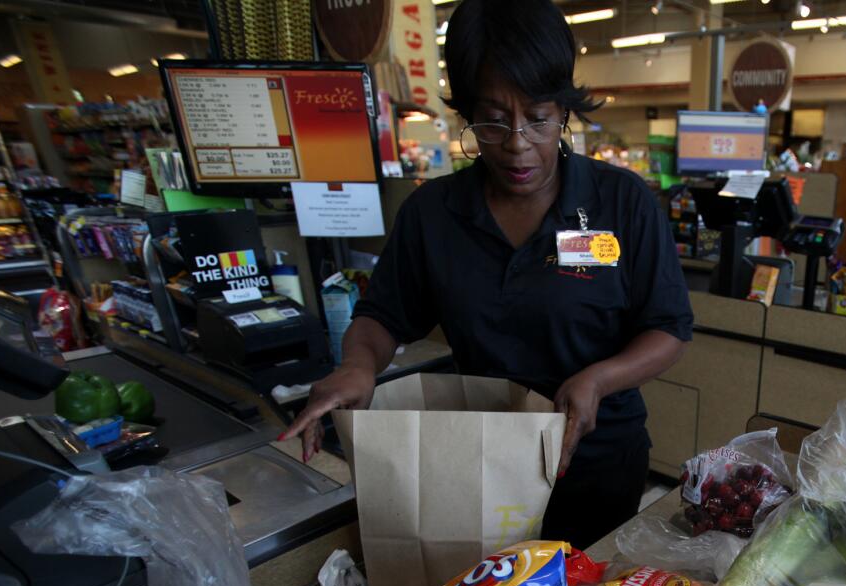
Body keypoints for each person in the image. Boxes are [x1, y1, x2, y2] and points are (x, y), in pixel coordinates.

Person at [282, 0, 693, 550]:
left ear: (565, 110)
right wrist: (358, 366)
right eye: (494, 121)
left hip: (597, 463)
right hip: (476, 464)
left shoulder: (622, 202)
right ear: (466, 112)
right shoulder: (433, 215)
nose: (518, 143)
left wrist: (599, 378)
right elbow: (382, 316)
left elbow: (668, 327)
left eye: (539, 117)